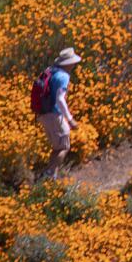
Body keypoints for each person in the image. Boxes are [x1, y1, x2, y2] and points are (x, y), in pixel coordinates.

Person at [36, 47, 82, 179]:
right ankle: (48, 175)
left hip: (42, 114)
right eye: (73, 62)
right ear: (69, 63)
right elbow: (60, 99)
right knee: (64, 146)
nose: (74, 65)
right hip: (54, 115)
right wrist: (70, 119)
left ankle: (51, 177)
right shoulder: (63, 76)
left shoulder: (51, 71)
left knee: (57, 146)